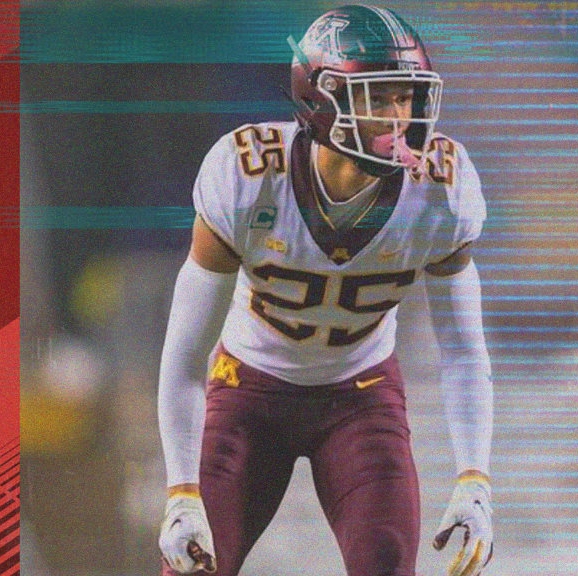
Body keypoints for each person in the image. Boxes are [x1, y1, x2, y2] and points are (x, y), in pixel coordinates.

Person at [156, 5, 494, 576]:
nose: (398, 117)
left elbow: (463, 349)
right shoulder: (247, 175)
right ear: (323, 99)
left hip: (361, 395)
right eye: (377, 98)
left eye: (405, 98)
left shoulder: (443, 190)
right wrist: (181, 491)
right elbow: (186, 357)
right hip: (248, 392)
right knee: (193, 569)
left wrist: (476, 479)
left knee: (386, 564)